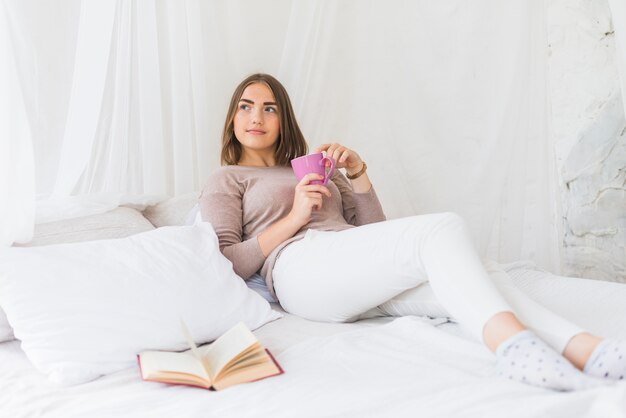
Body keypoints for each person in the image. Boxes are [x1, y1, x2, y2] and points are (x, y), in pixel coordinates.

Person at [200, 73, 625, 391]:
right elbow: (225, 263)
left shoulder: (317, 171)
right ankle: (512, 347)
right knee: (444, 227)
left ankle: (588, 349)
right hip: (298, 270)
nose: (256, 116)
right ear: (232, 117)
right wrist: (292, 219)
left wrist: (358, 174)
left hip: (348, 266)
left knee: (480, 274)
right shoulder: (228, 178)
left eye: (269, 107)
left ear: (283, 118)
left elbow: (379, 235)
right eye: (246, 105)